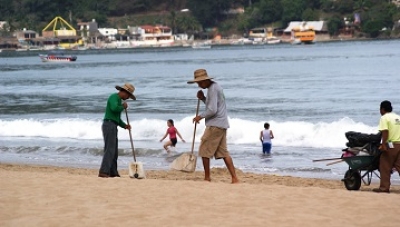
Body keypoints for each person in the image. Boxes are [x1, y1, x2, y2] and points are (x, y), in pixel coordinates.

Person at [188, 69, 239, 184]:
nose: (199, 85)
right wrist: (203, 99)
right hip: (222, 124)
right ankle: (234, 178)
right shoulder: (215, 87)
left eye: (200, 82)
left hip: (215, 125)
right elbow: (212, 106)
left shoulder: (212, 89)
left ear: (206, 80)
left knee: (204, 150)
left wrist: (199, 117)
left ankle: (207, 177)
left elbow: (212, 110)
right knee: (224, 153)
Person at [98, 83, 136, 178]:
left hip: (113, 124)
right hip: (109, 124)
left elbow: (117, 119)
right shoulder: (114, 97)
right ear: (124, 92)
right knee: (109, 150)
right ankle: (103, 171)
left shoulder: (118, 100)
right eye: (128, 95)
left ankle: (113, 172)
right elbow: (114, 109)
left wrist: (125, 126)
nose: (127, 98)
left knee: (114, 151)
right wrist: (123, 107)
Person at [373, 100, 400, 193]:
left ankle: (384, 188)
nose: (380, 111)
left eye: (380, 109)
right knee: (399, 166)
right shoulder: (398, 117)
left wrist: (383, 144)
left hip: (391, 145)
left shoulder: (384, 118)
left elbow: (385, 131)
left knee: (384, 165)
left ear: (383, 109)